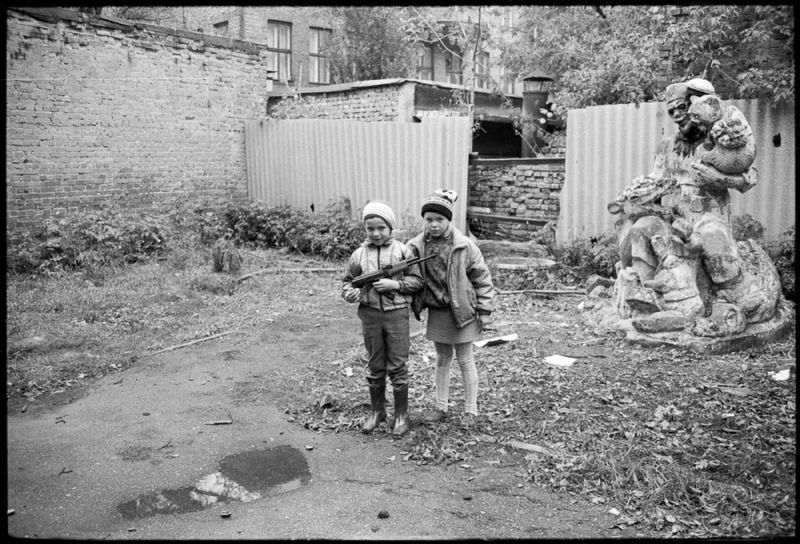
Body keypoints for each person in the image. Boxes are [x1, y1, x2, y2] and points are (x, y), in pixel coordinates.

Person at [407, 190, 495, 427]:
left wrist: (484, 311)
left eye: (440, 219)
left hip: (463, 312)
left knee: (465, 360)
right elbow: (405, 271)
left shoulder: (464, 246)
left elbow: (482, 278)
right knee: (442, 358)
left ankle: (471, 410)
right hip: (438, 312)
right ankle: (441, 407)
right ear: (423, 220)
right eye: (429, 219)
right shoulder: (416, 246)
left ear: (449, 220)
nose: (434, 225)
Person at [342, 201, 423, 437]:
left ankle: (401, 415)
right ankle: (378, 412)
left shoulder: (403, 252)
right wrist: (351, 293)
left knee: (397, 365)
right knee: (375, 364)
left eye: (381, 228)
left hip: (397, 314)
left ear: (390, 228)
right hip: (370, 315)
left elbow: (417, 281)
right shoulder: (358, 255)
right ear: (365, 229)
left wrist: (395, 284)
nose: (376, 233)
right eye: (370, 228)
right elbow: (347, 282)